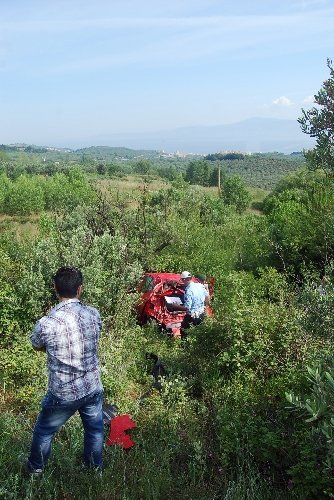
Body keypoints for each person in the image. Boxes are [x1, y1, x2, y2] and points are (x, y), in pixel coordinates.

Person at [26, 267, 104, 475]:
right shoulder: (93, 314)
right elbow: (96, 336)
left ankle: (35, 472)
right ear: (80, 289)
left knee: (44, 431)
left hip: (63, 392)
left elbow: (36, 344)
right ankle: (94, 470)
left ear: (55, 289)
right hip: (92, 386)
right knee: (95, 430)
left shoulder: (47, 323)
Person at [171, 271, 209, 340]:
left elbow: (187, 308)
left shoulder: (189, 291)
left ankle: (184, 348)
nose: (182, 281)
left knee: (184, 332)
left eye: (182, 280)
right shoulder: (200, 285)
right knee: (199, 333)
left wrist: (175, 306)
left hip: (192, 317)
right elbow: (207, 297)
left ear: (185, 279)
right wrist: (205, 306)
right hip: (201, 314)